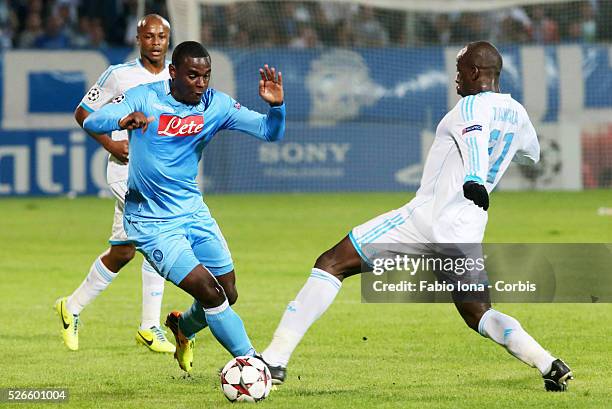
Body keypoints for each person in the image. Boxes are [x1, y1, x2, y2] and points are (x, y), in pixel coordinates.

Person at [262, 41, 573, 392]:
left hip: (424, 221)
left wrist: (473, 176)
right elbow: (531, 155)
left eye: (459, 71)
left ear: (474, 72)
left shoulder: (469, 106)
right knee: (479, 313)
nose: (455, 79)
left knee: (331, 263)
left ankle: (274, 359)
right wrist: (499, 151)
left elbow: (474, 138)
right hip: (466, 233)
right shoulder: (517, 113)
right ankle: (548, 363)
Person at [82, 41, 285, 373]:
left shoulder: (216, 104)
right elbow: (92, 121)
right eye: (192, 76)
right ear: (173, 73)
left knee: (228, 292)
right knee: (209, 290)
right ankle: (253, 362)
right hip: (150, 222)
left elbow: (269, 131)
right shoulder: (144, 97)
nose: (200, 83)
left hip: (192, 212)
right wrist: (121, 121)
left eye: (206, 76)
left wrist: (277, 108)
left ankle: (183, 327)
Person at [55, 14, 175, 353]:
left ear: (168, 40)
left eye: (161, 36)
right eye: (149, 35)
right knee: (160, 230)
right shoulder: (118, 75)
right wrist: (109, 143)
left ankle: (71, 306)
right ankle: (150, 326)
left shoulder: (176, 76)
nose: (155, 41)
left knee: (123, 251)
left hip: (160, 173)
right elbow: (83, 112)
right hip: (127, 172)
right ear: (138, 39)